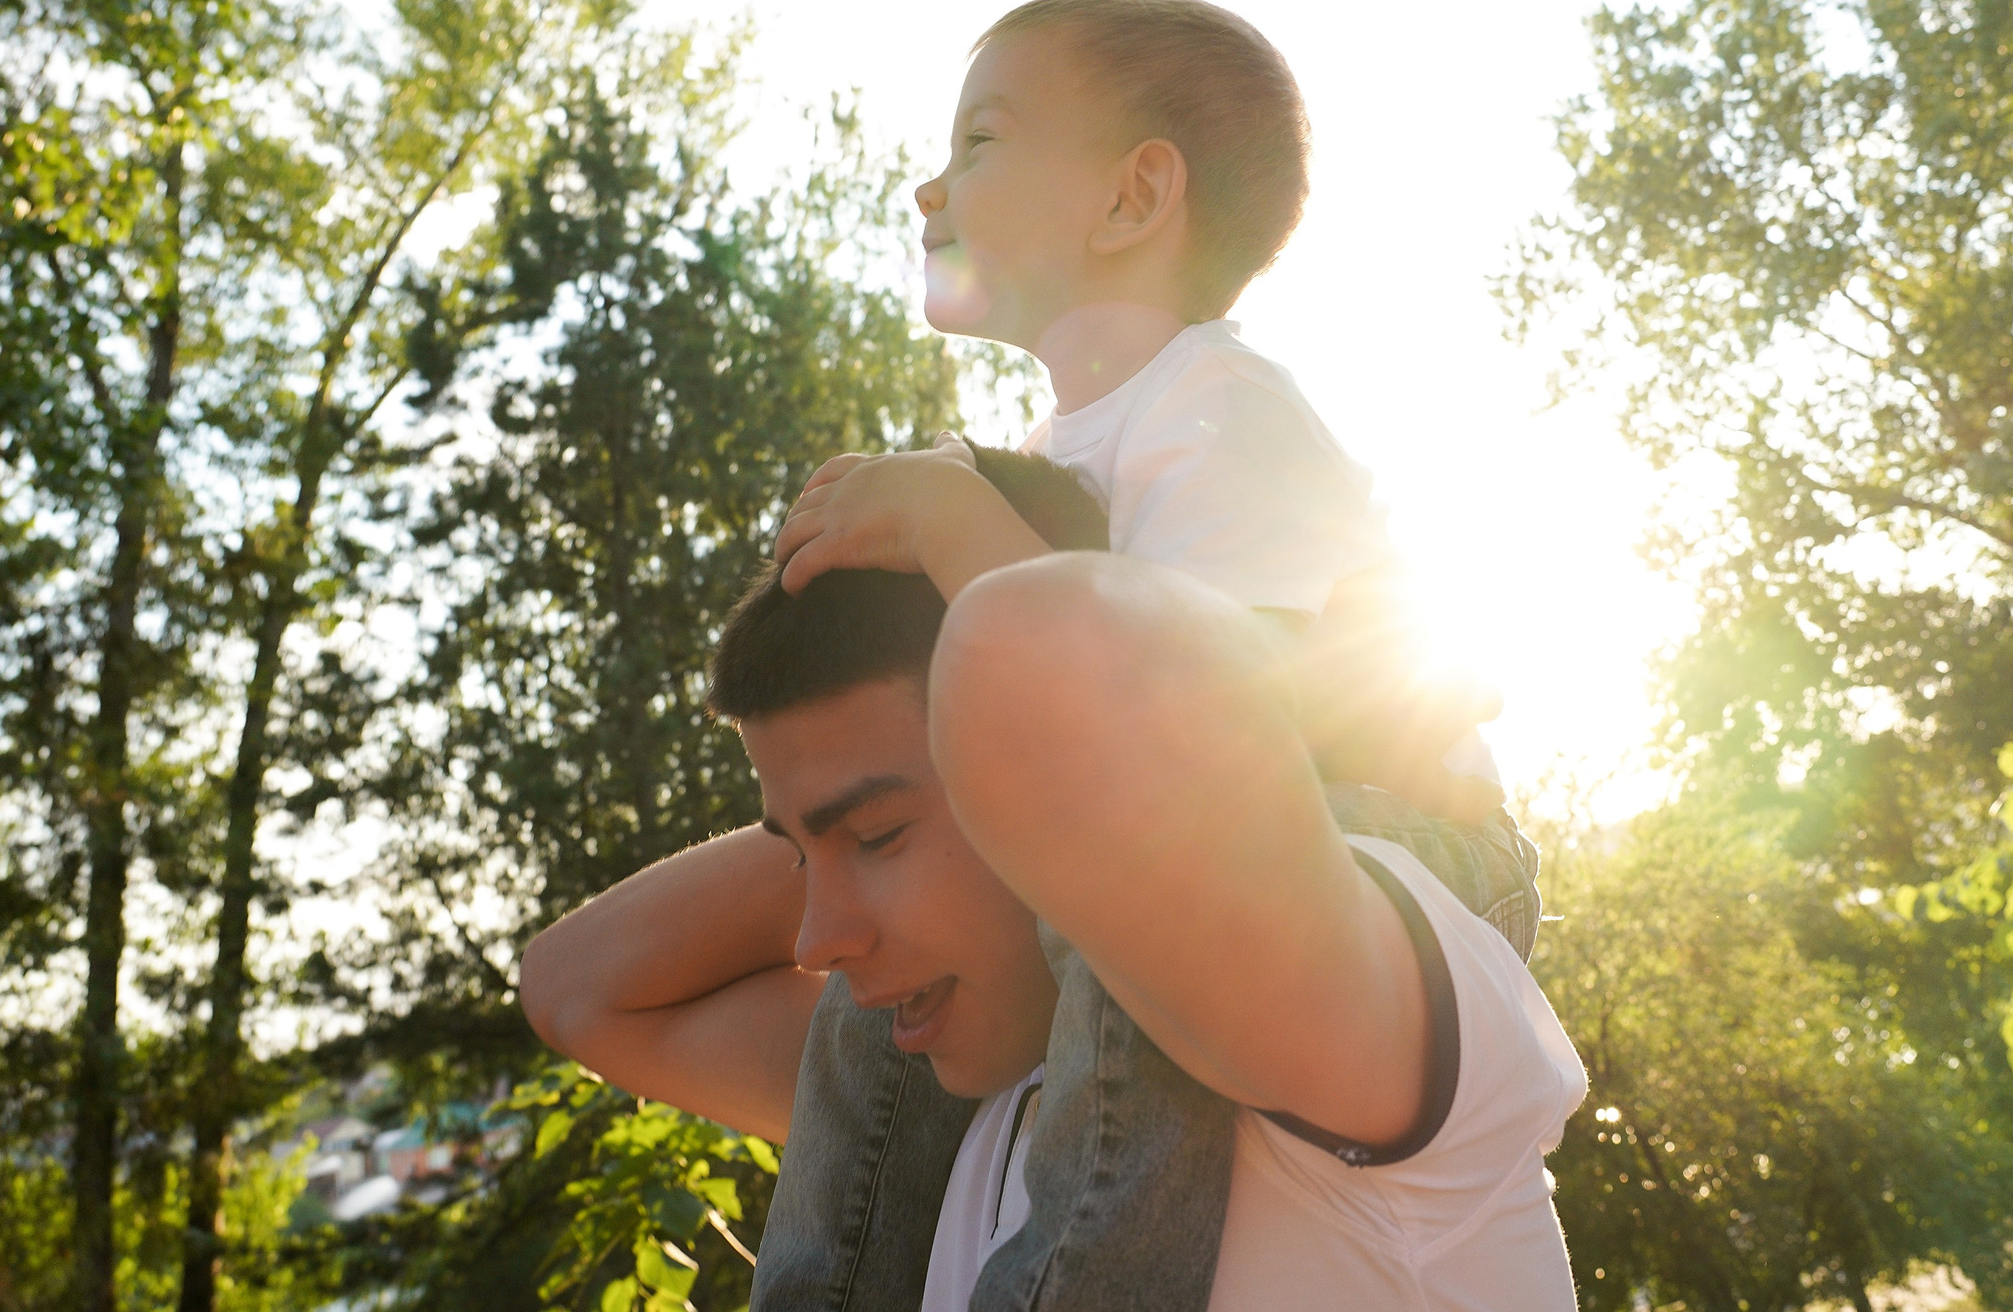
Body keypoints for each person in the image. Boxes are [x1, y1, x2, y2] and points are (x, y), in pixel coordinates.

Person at [757, 0, 1541, 1309]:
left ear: (1135, 197)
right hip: (1226, 830)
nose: (928, 182)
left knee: (1145, 893)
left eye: (984, 138)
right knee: (862, 1004)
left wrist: (960, 528)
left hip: (1391, 840)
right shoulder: (1062, 453)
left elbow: (1211, 726)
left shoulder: (1220, 406)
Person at [516, 448, 1588, 1310]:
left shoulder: (1342, 1029)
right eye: (801, 858)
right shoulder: (956, 1120)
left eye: (880, 835)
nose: (815, 942)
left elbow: (1039, 643)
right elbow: (577, 985)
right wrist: (834, 811)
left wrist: (946, 521)